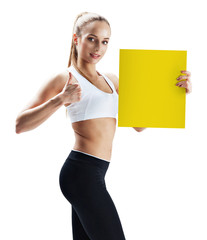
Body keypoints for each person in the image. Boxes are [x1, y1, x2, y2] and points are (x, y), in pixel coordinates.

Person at [15, 11, 192, 240]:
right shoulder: (65, 79)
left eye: (105, 41)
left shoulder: (112, 80)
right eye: (92, 38)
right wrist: (60, 99)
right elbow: (20, 124)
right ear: (76, 39)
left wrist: (174, 92)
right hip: (81, 173)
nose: (98, 47)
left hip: (96, 173)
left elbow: (138, 125)